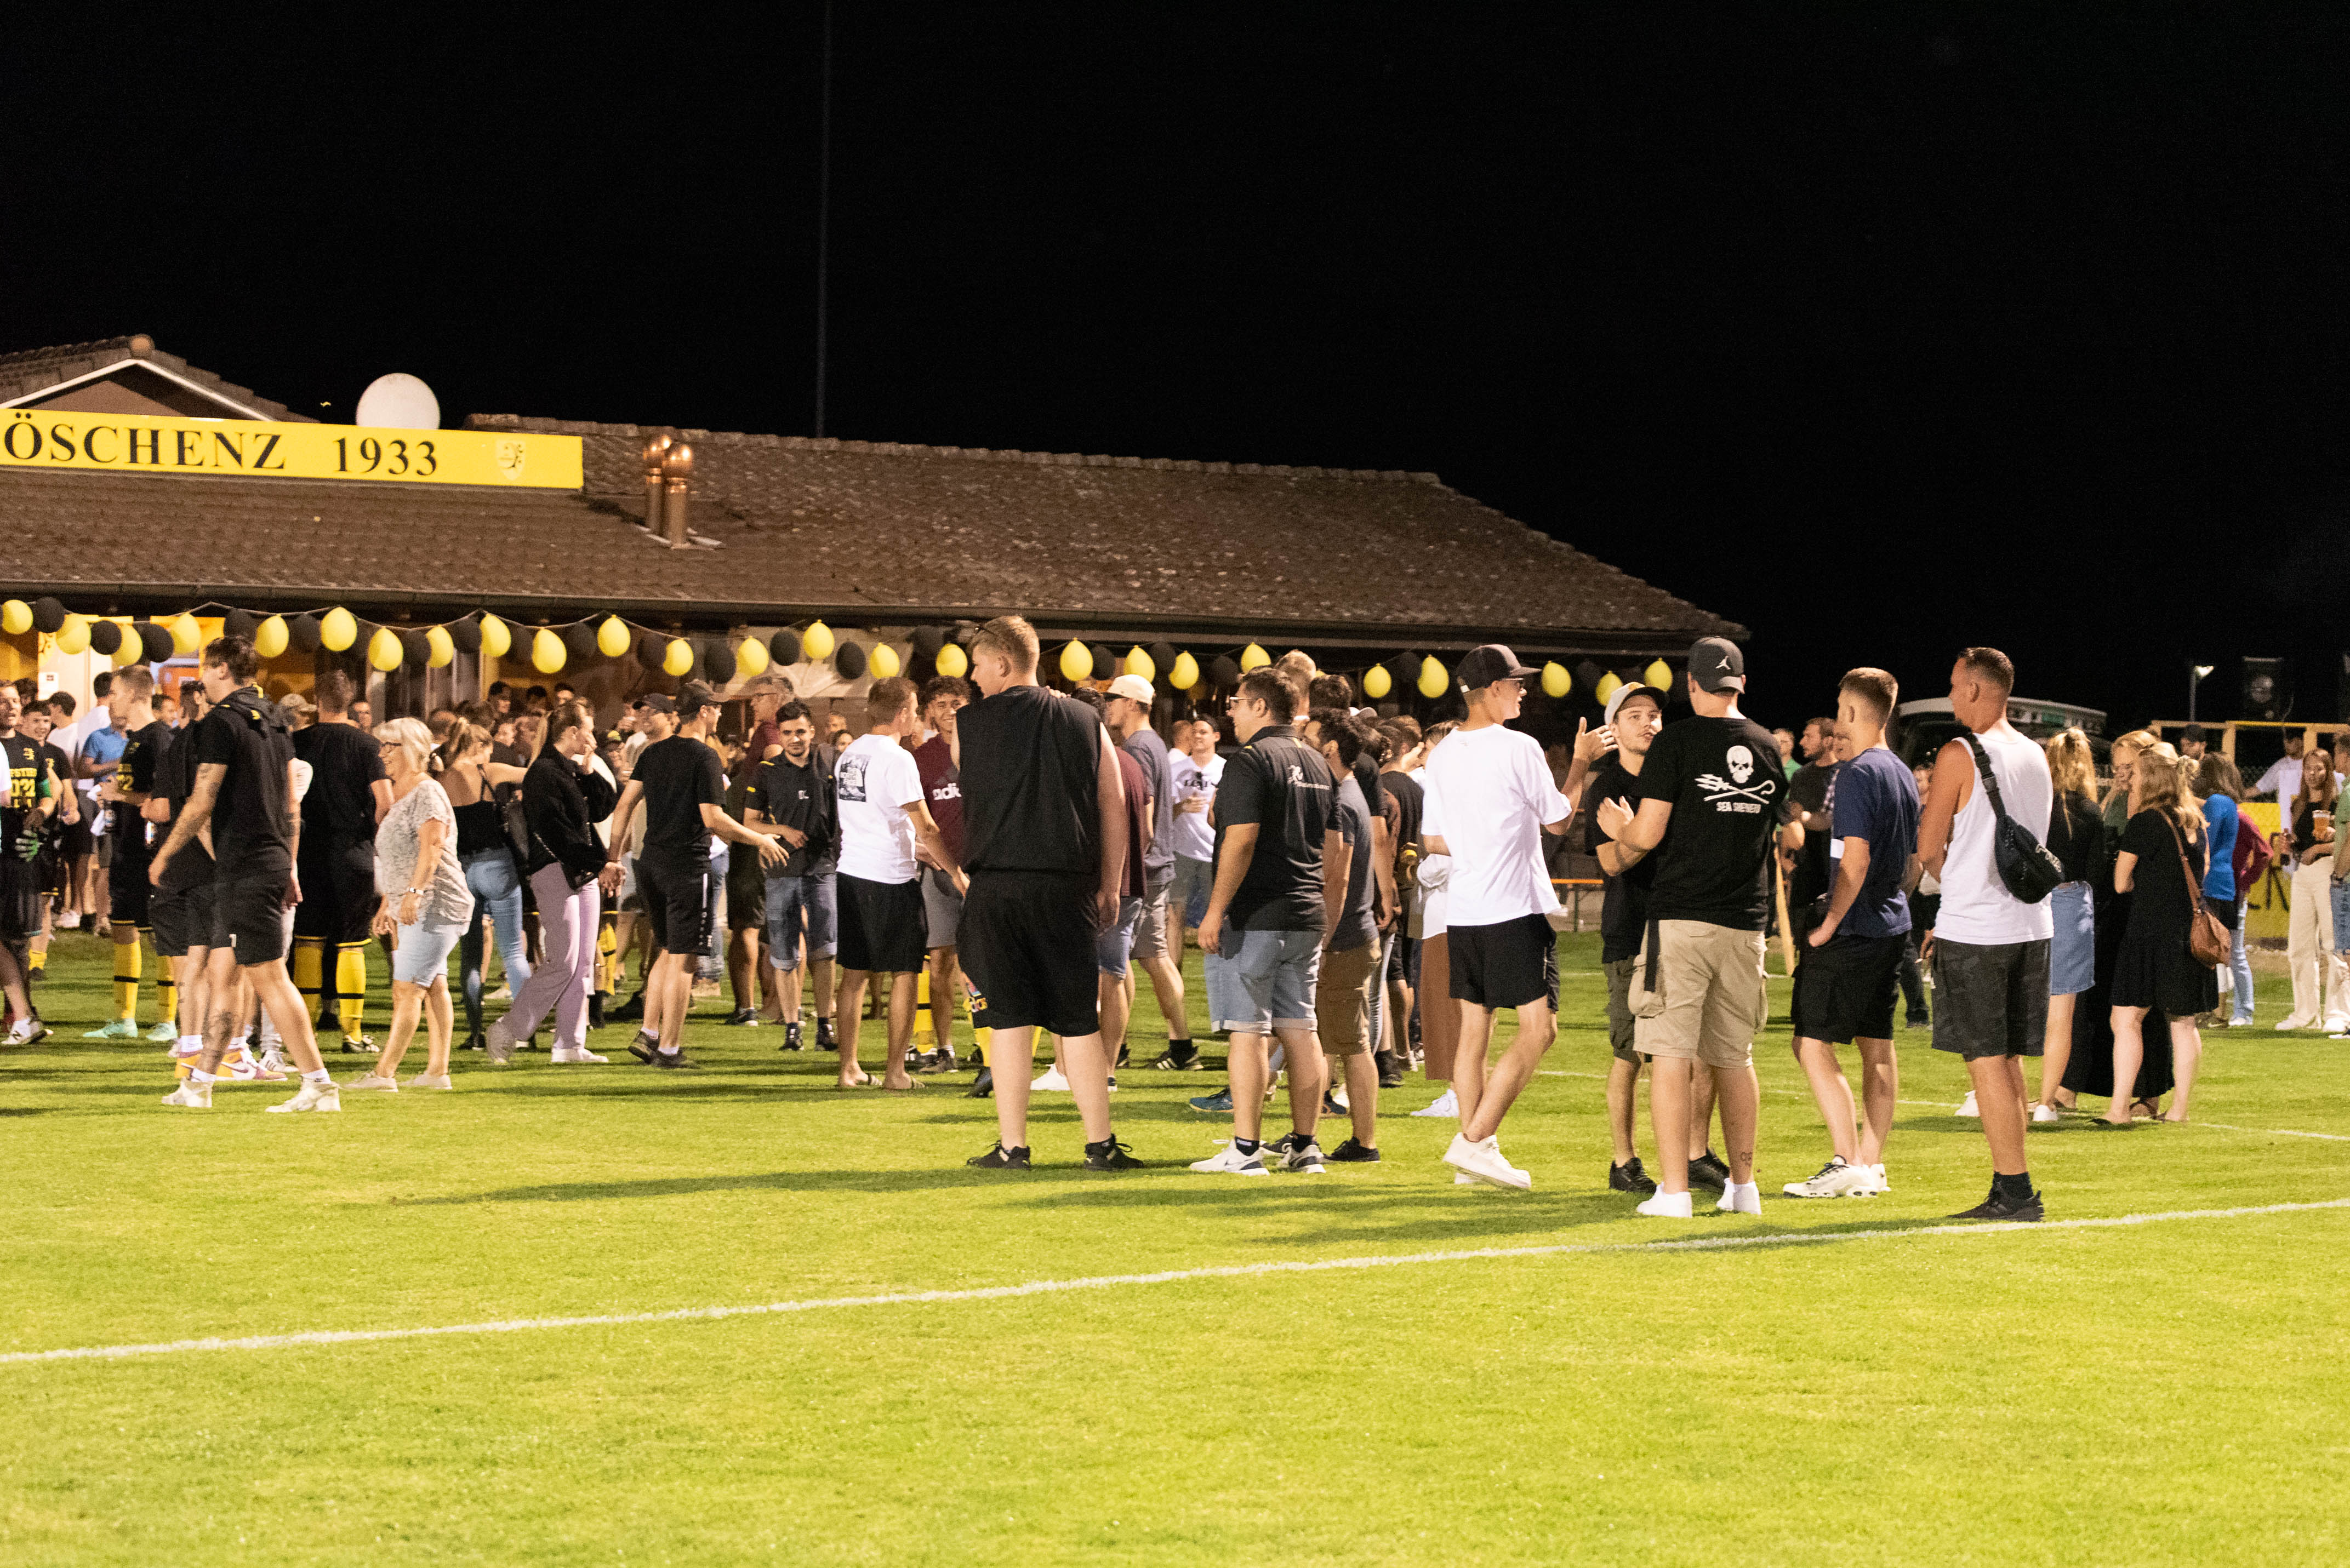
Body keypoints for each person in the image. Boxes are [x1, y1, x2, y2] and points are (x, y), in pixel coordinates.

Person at [1598, 637, 1780, 1217]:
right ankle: (1744, 1187)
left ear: (1692, 685)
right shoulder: (1767, 744)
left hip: (1681, 919)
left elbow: (1649, 833)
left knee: (1670, 1054)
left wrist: (1619, 829)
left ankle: (1674, 1191)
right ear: (1741, 684)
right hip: (1745, 924)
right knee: (1735, 1057)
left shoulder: (1676, 741)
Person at [956, 616, 1139, 1171]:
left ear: (1002, 663)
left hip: (996, 885)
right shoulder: (1086, 719)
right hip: (1066, 886)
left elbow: (971, 776)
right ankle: (1100, 1145)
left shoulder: (969, 724)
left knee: (1008, 1021)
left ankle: (1013, 1146)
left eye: (978, 665)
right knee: (1077, 1019)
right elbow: (1114, 803)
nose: (973, 677)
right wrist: (1111, 883)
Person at [1419, 648, 1585, 1189]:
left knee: (1476, 1032)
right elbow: (1558, 821)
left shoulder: (1442, 753)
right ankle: (1473, 1142)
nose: (1523, 691)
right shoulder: (1519, 747)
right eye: (1516, 683)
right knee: (1540, 1030)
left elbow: (1432, 838)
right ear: (1492, 689)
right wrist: (1582, 763)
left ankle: (1476, 1154)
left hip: (1465, 909)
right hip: (1512, 908)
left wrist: (1481, 843)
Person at [153, 634, 338, 1112]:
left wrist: (165, 854)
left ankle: (318, 1084)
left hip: (247, 867)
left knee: (269, 979)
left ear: (221, 669)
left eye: (205, 669)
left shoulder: (221, 722)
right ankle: (200, 1084)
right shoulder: (274, 718)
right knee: (227, 977)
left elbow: (202, 800)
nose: (201, 679)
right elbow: (289, 803)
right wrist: (289, 864)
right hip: (264, 862)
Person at [1182, 668, 1343, 1176]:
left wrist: (1214, 910)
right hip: (1306, 910)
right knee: (1301, 1029)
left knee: (1247, 1031)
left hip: (1258, 913)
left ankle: (1246, 1150)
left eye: (1236, 702)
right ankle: (1306, 1146)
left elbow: (1242, 837)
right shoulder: (1317, 761)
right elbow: (1336, 846)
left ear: (1259, 706)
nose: (1230, 712)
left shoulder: (1251, 759)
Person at [1915, 647, 2052, 1220]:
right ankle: (2014, 1184)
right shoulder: (2035, 753)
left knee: (1986, 1059)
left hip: (1978, 929)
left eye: (1954, 685)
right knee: (2010, 1059)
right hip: (2032, 923)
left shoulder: (1960, 753)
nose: (1951, 695)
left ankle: (2015, 1190)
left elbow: (1928, 848)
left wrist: (1956, 887)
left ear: (1974, 688)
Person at [1781, 669, 1919, 1198]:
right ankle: (1871, 1164)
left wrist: (1830, 924)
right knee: (1877, 1045)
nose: (1838, 717)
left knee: (1811, 1042)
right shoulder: (1901, 771)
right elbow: (1910, 861)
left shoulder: (1859, 773)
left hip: (1856, 927)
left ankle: (1846, 1160)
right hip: (1890, 924)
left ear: (1856, 712)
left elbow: (1854, 861)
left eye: (1841, 708)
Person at [604, 682, 789, 1069]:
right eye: (716, 708)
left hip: (650, 861)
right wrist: (759, 838)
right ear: (704, 711)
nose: (720, 713)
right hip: (686, 866)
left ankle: (648, 1033)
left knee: (668, 950)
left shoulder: (654, 752)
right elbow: (713, 819)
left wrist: (613, 858)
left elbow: (624, 806)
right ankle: (670, 1049)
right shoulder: (705, 757)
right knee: (685, 959)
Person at [831, 677, 960, 1090]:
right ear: (903, 713)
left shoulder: (849, 754)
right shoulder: (899, 758)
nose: (918, 717)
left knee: (854, 974)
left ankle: (849, 1068)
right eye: (917, 709)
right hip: (890, 877)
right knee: (905, 971)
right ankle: (895, 1072)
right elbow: (927, 826)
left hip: (852, 872)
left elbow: (873, 816)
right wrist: (954, 872)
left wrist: (912, 845)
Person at [347, 720, 474, 1091]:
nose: (382, 753)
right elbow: (397, 858)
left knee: (407, 989)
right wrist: (389, 903)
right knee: (432, 984)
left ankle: (384, 1074)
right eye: (382, 745)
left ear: (413, 749)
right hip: (416, 903)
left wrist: (414, 893)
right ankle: (437, 1072)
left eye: (390, 745)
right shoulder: (403, 792)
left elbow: (432, 846)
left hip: (435, 903)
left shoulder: (427, 791)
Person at [489, 702, 617, 1063]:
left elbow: (602, 808)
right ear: (573, 732)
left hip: (582, 871)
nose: (593, 736)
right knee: (563, 960)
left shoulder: (571, 769)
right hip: (555, 870)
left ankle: (570, 1044)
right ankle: (508, 1029)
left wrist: (589, 771)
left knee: (583, 962)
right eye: (589, 728)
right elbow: (556, 833)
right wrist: (601, 863)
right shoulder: (544, 772)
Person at [2107, 742, 2212, 1123]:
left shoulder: (2145, 822)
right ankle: (2179, 1110)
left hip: (2148, 934)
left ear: (2150, 778)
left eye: (2136, 772)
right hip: (2187, 935)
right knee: (2183, 1023)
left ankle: (2119, 1109)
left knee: (2125, 1020)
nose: (2130, 778)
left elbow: (2121, 883)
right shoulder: (2195, 822)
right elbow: (2202, 870)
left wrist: (2148, 883)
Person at [292, 671, 392, 1055]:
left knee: (309, 941)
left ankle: (305, 1033)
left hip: (307, 853)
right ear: (350, 701)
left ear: (317, 700)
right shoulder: (367, 745)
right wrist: (373, 837)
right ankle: (353, 1033)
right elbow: (385, 803)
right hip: (354, 854)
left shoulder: (297, 742)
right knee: (352, 943)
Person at [1308, 708, 1385, 1162]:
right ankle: (1312, 1136)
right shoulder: (1351, 792)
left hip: (1344, 939)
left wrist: (1322, 941)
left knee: (1347, 1045)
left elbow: (1335, 878)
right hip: (1353, 934)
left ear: (1331, 748)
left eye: (1310, 740)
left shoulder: (1340, 799)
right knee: (1334, 1041)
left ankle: (1359, 1141)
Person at [84, 667, 176, 1042]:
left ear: (137, 696)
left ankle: (168, 1020)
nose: (110, 701)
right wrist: (114, 796)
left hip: (149, 851)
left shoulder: (160, 739)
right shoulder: (135, 740)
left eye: (116, 694)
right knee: (123, 927)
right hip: (125, 846)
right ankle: (125, 1018)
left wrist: (118, 794)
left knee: (160, 935)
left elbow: (165, 798)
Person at [1105, 673, 1191, 1073]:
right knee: (1134, 957)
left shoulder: (1139, 746)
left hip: (1145, 868)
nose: (1108, 706)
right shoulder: (1153, 743)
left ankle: (1179, 1045)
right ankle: (1126, 1044)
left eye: (1113, 699)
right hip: (1155, 864)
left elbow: (1143, 816)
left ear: (1132, 704)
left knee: (1142, 957)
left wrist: (1124, 868)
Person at [745, 700, 839, 1054]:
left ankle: (825, 1025)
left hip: (822, 868)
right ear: (780, 735)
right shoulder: (766, 771)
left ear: (812, 731)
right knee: (785, 953)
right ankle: (792, 1027)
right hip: (782, 870)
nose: (795, 739)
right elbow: (750, 823)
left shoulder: (828, 763)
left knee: (824, 951)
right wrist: (783, 830)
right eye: (787, 733)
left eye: (801, 731)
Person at [440, 722, 532, 1051]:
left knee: (471, 956)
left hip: (462, 869)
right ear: (481, 746)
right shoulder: (488, 771)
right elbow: (534, 775)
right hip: (497, 864)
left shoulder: (442, 778)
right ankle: (523, 1031)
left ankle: (476, 1033)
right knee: (512, 951)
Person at [2032, 728, 2104, 1118]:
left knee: (2018, 1002)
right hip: (2071, 903)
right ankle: (2047, 1101)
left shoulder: (2035, 806)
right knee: (2062, 1015)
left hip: (2030, 904)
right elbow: (2096, 871)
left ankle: (1997, 1091)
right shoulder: (2090, 812)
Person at [911, 676, 973, 1067]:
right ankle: (945, 1047)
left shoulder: (986, 750)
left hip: (982, 871)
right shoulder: (921, 759)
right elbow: (913, 819)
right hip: (939, 873)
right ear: (930, 711)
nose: (950, 711)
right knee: (940, 963)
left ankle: (988, 1044)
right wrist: (923, 850)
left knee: (984, 963)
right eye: (942, 704)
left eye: (957, 703)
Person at [0, 685, 58, 1044]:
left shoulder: (30, 748)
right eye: (2, 701)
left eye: (13, 700)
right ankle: (22, 1017)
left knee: (18, 938)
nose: (10, 707)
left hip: (20, 850)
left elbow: (47, 793)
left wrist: (41, 813)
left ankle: (20, 1016)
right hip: (8, 844)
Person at [2278, 750, 2344, 1031]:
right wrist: (2289, 845)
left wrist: (2319, 848)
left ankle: (2337, 1014)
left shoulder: (2339, 803)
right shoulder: (2299, 805)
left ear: (2329, 771)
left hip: (2328, 871)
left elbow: (2345, 843)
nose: (2313, 774)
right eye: (2309, 769)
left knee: (2333, 945)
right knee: (2299, 947)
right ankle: (2305, 1014)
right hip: (2303, 875)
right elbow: (2299, 844)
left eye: (2319, 769)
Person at [1166, 714, 1224, 974]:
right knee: (1174, 913)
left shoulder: (1225, 769)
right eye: (1195, 732)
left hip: (1214, 853)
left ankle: (1219, 973)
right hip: (1183, 852)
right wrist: (1182, 806)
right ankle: (1174, 976)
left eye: (1203, 732)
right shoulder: (1177, 769)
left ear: (1216, 737)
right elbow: (1164, 815)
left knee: (1217, 916)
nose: (1198, 736)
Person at [2193, 753, 2243, 1030]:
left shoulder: (2215, 802)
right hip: (2225, 883)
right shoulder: (2229, 803)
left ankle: (2216, 1011)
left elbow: (2205, 839)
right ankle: (2219, 1011)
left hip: (2211, 881)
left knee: (2210, 947)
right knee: (2219, 947)